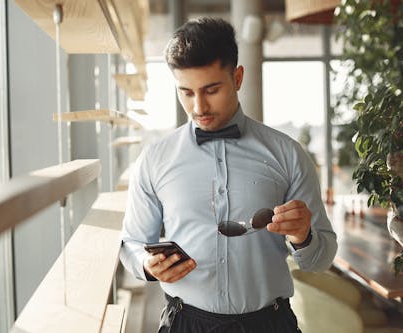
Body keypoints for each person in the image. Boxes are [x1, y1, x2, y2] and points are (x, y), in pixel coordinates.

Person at [120, 17, 337, 333]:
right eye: (186, 92)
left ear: (237, 77)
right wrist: (146, 264)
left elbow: (322, 258)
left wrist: (303, 236)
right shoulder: (154, 159)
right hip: (184, 322)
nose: (198, 107)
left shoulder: (288, 154)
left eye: (211, 89)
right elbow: (132, 243)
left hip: (270, 323)